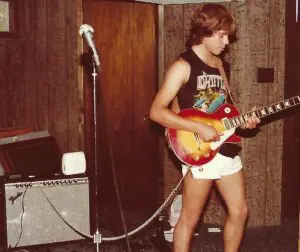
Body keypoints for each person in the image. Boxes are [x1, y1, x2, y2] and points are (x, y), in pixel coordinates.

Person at [150, 4, 260, 252]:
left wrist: (243, 121)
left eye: (228, 35)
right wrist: (197, 128)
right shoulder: (183, 66)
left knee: (240, 211)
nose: (227, 40)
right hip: (197, 148)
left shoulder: (222, 66)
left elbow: (225, 107)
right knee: (190, 218)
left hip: (225, 145)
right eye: (222, 34)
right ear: (205, 31)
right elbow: (156, 112)